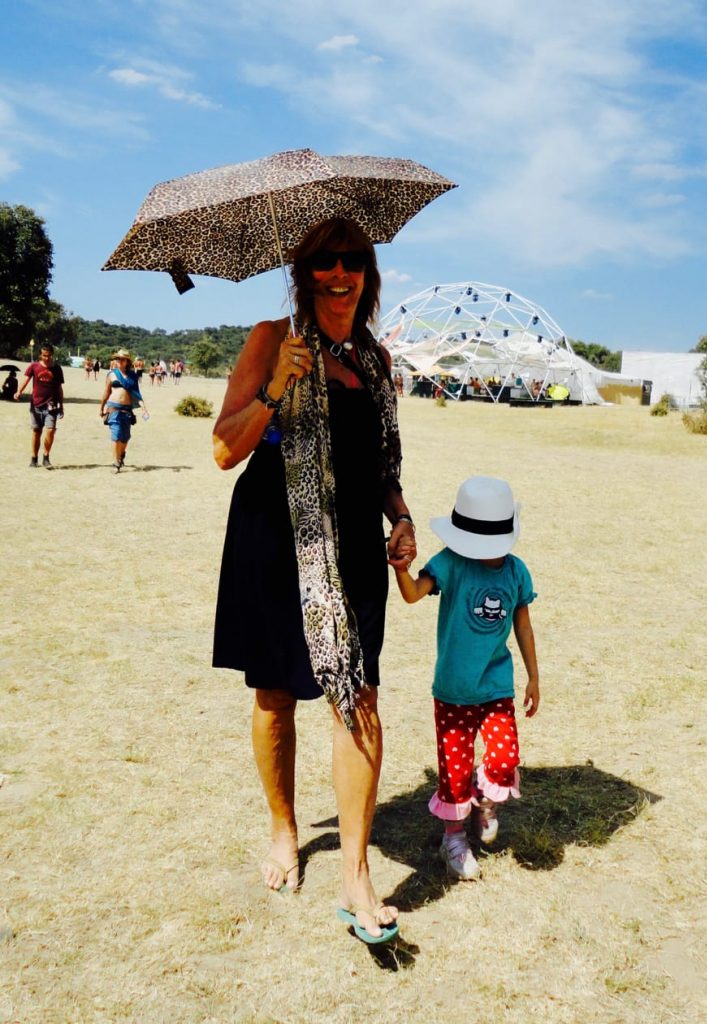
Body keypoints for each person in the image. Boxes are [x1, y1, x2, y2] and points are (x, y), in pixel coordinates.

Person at [212, 217, 416, 944]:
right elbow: (222, 449)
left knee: (357, 695)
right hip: (275, 544)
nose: (339, 274)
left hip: (354, 552)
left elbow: (384, 471)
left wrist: (400, 516)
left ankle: (355, 871)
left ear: (367, 272)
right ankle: (282, 826)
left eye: (352, 261)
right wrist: (273, 388)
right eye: (324, 263)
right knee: (274, 697)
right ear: (303, 276)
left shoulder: (376, 360)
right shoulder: (271, 339)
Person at [392, 476, 540, 881]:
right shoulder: (451, 563)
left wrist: (533, 677)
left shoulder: (516, 573)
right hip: (454, 691)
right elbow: (412, 594)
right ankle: (453, 838)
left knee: (505, 757)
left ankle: (486, 803)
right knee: (453, 774)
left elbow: (523, 627)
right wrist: (402, 570)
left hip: (495, 687)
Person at [14, 344, 65, 468]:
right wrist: (19, 391)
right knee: (37, 432)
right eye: (44, 355)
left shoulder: (57, 369)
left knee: (51, 430)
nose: (47, 358)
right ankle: (34, 458)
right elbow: (26, 380)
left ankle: (46, 457)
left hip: (51, 405)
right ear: (40, 355)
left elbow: (59, 388)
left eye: (49, 355)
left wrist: (61, 405)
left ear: (52, 355)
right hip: (36, 404)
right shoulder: (34, 366)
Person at [99, 348, 149, 471]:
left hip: (126, 410)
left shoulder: (133, 376)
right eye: (118, 359)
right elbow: (106, 392)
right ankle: (116, 463)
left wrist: (144, 408)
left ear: (127, 361)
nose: (119, 361)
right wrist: (101, 407)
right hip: (113, 409)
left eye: (122, 359)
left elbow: (137, 394)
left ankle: (121, 455)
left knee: (125, 438)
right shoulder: (111, 374)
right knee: (116, 436)